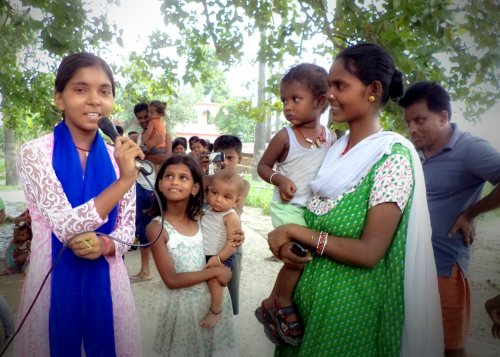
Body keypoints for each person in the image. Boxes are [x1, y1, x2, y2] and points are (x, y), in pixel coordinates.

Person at [267, 43, 443, 357]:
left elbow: (369, 252)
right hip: (305, 309)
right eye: (328, 85)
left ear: (373, 90)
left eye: (340, 86)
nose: (329, 94)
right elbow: (307, 214)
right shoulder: (333, 147)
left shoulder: (391, 158)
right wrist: (287, 246)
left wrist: (296, 233)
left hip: (348, 317)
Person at [15, 52, 143, 356]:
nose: (95, 100)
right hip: (50, 290)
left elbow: (127, 229)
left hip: (110, 287)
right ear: (60, 98)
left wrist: (106, 246)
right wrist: (124, 180)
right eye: (80, 89)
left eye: (104, 91)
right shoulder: (34, 154)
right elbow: (67, 227)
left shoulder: (119, 158)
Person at [399, 81, 500, 357]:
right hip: (404, 266)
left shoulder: (470, 148)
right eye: (408, 122)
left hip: (442, 267)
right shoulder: (410, 153)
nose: (412, 129)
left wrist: (471, 212)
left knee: (449, 348)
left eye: (420, 120)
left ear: (443, 117)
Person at [255, 63, 335, 346]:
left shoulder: (331, 138)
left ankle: (268, 303)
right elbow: (262, 166)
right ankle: (284, 303)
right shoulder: (285, 136)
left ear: (321, 101)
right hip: (288, 208)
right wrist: (278, 179)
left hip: (312, 209)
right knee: (298, 255)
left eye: (295, 99)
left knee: (300, 255)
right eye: (284, 101)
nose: (287, 107)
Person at [145, 155, 241, 356]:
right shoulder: (157, 228)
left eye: (183, 177)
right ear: (160, 184)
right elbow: (171, 280)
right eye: (169, 176)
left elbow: (228, 226)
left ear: (196, 188)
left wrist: (237, 237)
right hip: (183, 310)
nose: (175, 181)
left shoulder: (201, 217)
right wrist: (215, 272)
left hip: (211, 302)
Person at [198, 135, 251, 315]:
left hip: (230, 243)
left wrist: (223, 186)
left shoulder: (243, 184)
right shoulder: (208, 180)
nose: (226, 162)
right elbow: (193, 191)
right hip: (206, 244)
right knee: (204, 287)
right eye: (221, 157)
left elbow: (235, 209)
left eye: (231, 158)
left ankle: (223, 315)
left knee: (229, 285)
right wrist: (201, 169)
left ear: (239, 159)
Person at [129, 102, 171, 283]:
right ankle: (145, 270)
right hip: (140, 187)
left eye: (146, 116)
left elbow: (167, 158)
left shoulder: (165, 135)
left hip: (158, 188)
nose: (144, 120)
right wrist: (142, 150)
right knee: (144, 228)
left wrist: (141, 153)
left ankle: (168, 271)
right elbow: (130, 159)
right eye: (140, 118)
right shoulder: (137, 138)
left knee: (165, 229)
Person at [200, 169, 244, 329]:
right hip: (207, 253)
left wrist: (219, 258)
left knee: (214, 281)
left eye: (226, 197)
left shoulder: (230, 216)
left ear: (236, 201)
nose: (218, 200)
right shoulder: (207, 210)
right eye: (214, 193)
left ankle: (216, 311)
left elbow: (233, 243)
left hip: (223, 255)